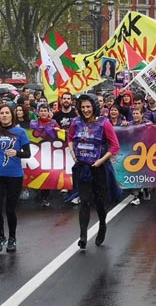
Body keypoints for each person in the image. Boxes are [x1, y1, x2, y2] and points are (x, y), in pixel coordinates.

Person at [68, 93, 120, 250]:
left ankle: (102, 225)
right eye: (82, 107)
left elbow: (115, 146)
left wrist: (101, 160)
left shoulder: (104, 123)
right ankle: (83, 236)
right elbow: (69, 138)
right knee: (84, 201)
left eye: (88, 107)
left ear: (94, 107)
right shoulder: (75, 122)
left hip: (99, 168)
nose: (85, 110)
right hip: (83, 167)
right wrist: (72, 153)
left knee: (99, 201)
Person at [0, 105, 31, 253]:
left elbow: (28, 153)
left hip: (14, 175)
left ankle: (12, 238)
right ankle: (0, 237)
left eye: (7, 113)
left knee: (10, 210)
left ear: (12, 116)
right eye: (2, 113)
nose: (4, 115)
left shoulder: (20, 132)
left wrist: (16, 152)